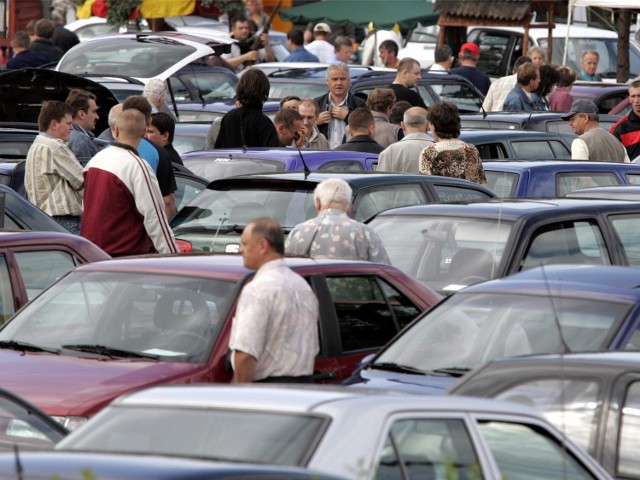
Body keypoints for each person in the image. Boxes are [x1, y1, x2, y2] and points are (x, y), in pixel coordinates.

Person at [230, 217, 319, 383]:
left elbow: (245, 353)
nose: (240, 250)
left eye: (245, 244)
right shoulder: (303, 287)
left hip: (267, 392)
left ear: (263, 245)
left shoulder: (258, 290)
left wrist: (239, 396)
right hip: (304, 389)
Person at [81, 108, 179, 256]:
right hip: (125, 257)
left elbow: (85, 206)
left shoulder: (94, 162)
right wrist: (173, 257)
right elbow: (154, 217)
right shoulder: (138, 166)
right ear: (144, 132)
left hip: (92, 253)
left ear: (116, 130)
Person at [285, 177, 390, 263]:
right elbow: (385, 272)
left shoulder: (298, 232)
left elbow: (287, 270)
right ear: (349, 206)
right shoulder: (364, 233)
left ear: (318, 203)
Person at [25, 100, 84, 234]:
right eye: (68, 123)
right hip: (64, 221)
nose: (72, 128)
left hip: (42, 220)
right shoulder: (55, 147)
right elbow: (83, 181)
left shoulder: (36, 145)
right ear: (54, 124)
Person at [122, 95, 178, 220]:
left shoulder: (103, 153)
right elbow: (167, 201)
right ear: (148, 121)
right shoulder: (158, 153)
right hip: (142, 228)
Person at [419, 100, 485, 184]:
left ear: (434, 125)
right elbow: (479, 182)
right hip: (470, 195)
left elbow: (427, 183)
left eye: (430, 124)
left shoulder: (428, 152)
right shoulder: (471, 149)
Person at [215, 68, 279, 148]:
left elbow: (218, 149)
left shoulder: (228, 117)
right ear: (264, 91)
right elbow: (273, 153)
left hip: (232, 160)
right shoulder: (263, 122)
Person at [314, 62, 366, 149]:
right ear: (327, 82)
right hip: (323, 157)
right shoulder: (316, 104)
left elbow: (368, 130)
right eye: (334, 79)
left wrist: (348, 117)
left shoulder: (360, 104)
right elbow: (303, 130)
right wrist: (315, 123)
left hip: (350, 156)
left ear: (349, 81)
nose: (339, 83)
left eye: (342, 79)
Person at [563, 99, 629, 163]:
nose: (570, 123)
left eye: (573, 119)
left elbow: (578, 172)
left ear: (585, 118)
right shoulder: (618, 144)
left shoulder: (580, 142)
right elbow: (628, 171)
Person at [378, 107, 432, 173]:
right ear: (428, 126)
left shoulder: (389, 152)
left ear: (402, 126)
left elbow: (383, 180)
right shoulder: (440, 150)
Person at [65, 89, 100, 160]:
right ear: (81, 114)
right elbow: (86, 170)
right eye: (94, 112)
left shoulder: (66, 135)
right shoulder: (81, 142)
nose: (97, 117)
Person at [610, 80, 640, 161]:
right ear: (630, 99)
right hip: (631, 173)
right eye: (633, 96)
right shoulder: (621, 127)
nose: (637, 100)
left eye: (639, 96)